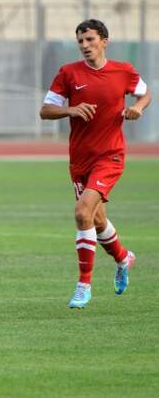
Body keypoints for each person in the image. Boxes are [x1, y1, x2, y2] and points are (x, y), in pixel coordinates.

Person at [40, 19, 151, 308]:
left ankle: (83, 284)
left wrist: (137, 107)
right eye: (81, 42)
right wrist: (71, 110)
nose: (85, 46)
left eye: (90, 40)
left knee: (81, 213)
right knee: (96, 219)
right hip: (80, 159)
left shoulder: (123, 71)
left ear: (104, 41)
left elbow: (145, 92)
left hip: (110, 156)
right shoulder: (68, 73)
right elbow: (45, 110)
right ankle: (123, 257)